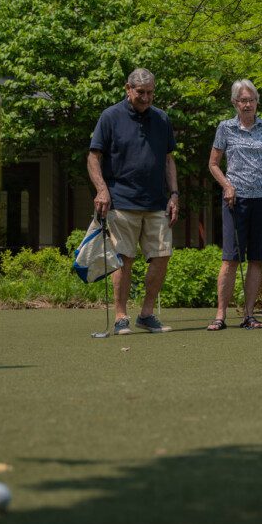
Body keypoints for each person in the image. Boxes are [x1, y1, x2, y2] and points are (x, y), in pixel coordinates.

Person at [88, 67, 179, 335]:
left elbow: (168, 159)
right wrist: (102, 190)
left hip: (156, 203)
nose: (146, 98)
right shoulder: (110, 116)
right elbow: (94, 156)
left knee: (162, 256)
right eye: (141, 92)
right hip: (122, 201)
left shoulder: (162, 119)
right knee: (124, 259)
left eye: (150, 93)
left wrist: (174, 194)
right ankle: (120, 317)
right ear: (128, 89)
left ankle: (147, 314)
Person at [207, 79, 262, 330]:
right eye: (242, 100)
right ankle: (220, 316)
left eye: (251, 100)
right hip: (235, 199)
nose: (247, 104)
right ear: (235, 103)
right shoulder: (225, 128)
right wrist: (227, 186)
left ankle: (249, 315)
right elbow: (213, 164)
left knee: (256, 259)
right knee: (230, 259)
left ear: (257, 102)